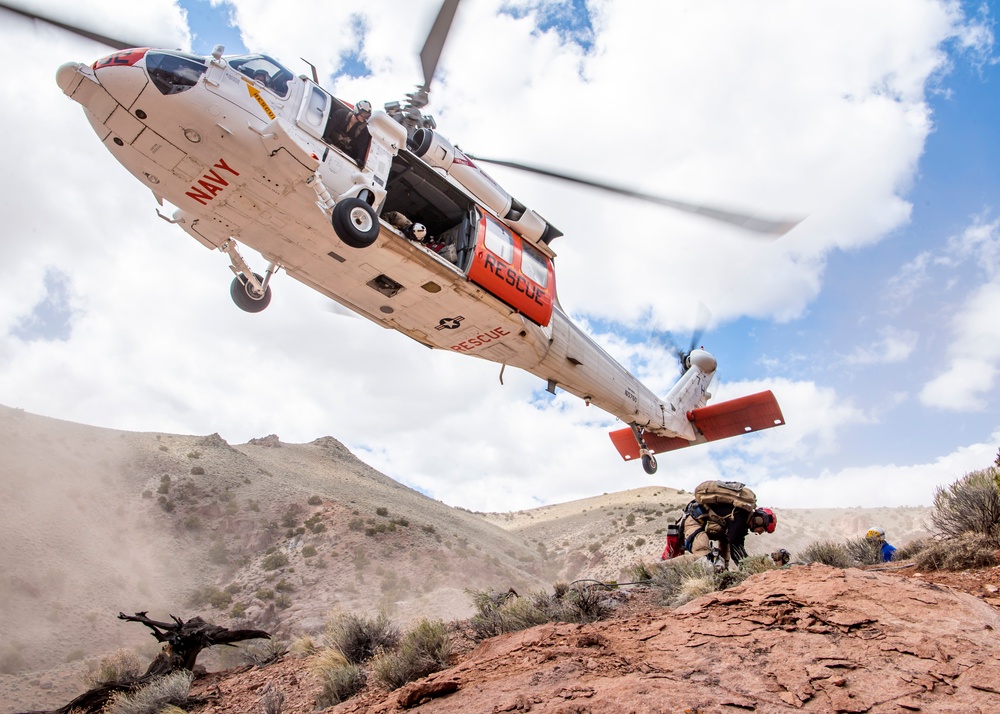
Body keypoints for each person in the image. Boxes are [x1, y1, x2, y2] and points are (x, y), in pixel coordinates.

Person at [679, 501, 777, 569]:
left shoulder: (741, 522)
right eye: (763, 530)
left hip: (704, 523)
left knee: (722, 564)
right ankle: (666, 567)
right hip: (694, 522)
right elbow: (736, 552)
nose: (760, 533)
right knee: (703, 558)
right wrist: (750, 570)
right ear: (759, 521)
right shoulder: (740, 517)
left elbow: (737, 549)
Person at [324, 100, 373, 166]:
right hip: (329, 145)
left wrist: (359, 158)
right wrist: (326, 137)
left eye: (367, 116)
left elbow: (362, 146)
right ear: (357, 110)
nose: (365, 118)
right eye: (364, 114)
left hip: (343, 155)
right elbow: (330, 126)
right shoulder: (341, 114)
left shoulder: (363, 130)